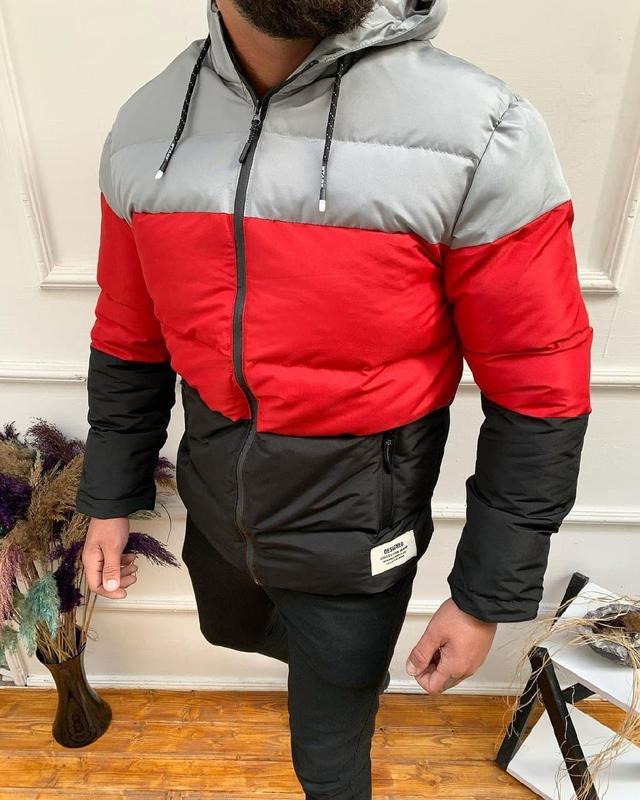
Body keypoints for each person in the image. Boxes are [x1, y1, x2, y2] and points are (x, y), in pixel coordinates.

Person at [76, 1, 593, 797]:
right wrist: (109, 499)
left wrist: (481, 597)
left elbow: (539, 386)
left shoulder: (482, 131)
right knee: (228, 627)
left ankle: (342, 687)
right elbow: (127, 334)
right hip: (217, 510)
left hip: (359, 537)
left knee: (328, 758)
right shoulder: (147, 125)